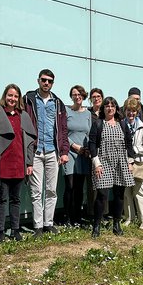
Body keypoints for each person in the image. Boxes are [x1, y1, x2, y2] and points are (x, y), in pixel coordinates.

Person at [23, 69, 69, 237]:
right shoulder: (28, 100)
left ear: (52, 83)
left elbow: (63, 130)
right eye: (44, 80)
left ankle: (48, 223)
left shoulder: (58, 103)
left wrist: (64, 151)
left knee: (51, 190)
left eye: (49, 81)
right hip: (35, 151)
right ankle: (38, 226)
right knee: (36, 191)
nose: (46, 83)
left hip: (52, 151)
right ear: (38, 81)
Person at [0, 84, 36, 242]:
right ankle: (0, 231)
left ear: (19, 98)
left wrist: (29, 163)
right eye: (10, 95)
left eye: (16, 96)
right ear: (5, 96)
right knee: (1, 199)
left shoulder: (23, 115)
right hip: (2, 165)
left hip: (19, 164)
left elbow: (30, 143)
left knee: (16, 199)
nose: (12, 99)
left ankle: (15, 229)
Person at [89, 97, 135, 238]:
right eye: (107, 106)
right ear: (103, 108)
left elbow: (129, 143)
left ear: (116, 108)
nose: (110, 108)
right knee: (102, 195)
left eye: (112, 105)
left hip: (121, 162)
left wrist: (130, 162)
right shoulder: (98, 124)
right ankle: (96, 225)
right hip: (103, 162)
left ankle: (116, 223)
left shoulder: (122, 124)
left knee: (119, 195)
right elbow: (92, 144)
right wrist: (96, 163)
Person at [63, 85, 92, 226]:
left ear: (83, 96)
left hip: (83, 154)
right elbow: (62, 132)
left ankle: (77, 217)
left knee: (80, 188)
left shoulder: (88, 114)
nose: (77, 96)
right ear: (71, 96)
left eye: (79, 94)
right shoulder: (67, 111)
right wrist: (74, 146)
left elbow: (90, 133)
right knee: (70, 185)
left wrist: (86, 149)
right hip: (70, 152)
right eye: (74, 94)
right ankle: (67, 217)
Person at [123, 98, 143, 230]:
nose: (131, 113)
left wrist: (134, 150)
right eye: (129, 110)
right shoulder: (120, 125)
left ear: (137, 112)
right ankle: (129, 217)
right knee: (126, 192)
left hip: (139, 163)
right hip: (124, 163)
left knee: (139, 192)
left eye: (134, 111)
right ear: (125, 111)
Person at [86, 88, 107, 218]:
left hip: (106, 151)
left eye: (98, 96)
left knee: (105, 183)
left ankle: (104, 213)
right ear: (90, 99)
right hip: (92, 151)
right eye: (93, 96)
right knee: (92, 185)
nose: (96, 98)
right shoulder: (88, 113)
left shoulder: (107, 112)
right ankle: (92, 213)